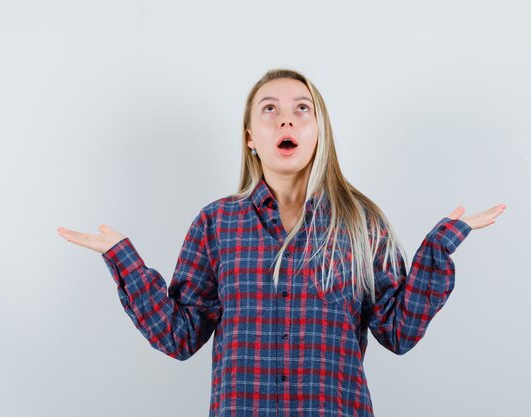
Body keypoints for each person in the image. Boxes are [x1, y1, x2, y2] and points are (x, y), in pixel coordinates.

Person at [57, 68, 505, 416]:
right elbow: (181, 335)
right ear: (251, 137)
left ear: (318, 130)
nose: (286, 116)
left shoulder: (362, 224)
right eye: (269, 109)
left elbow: (398, 331)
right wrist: (123, 260)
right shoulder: (216, 223)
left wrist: (438, 249)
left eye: (302, 108)